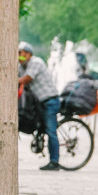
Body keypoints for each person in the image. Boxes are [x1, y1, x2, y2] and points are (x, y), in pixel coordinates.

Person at [18, 42, 61, 171]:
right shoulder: (22, 66)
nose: (18, 56)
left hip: (49, 101)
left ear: (28, 54)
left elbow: (26, 79)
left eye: (20, 53)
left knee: (50, 131)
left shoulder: (36, 62)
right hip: (38, 103)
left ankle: (54, 162)